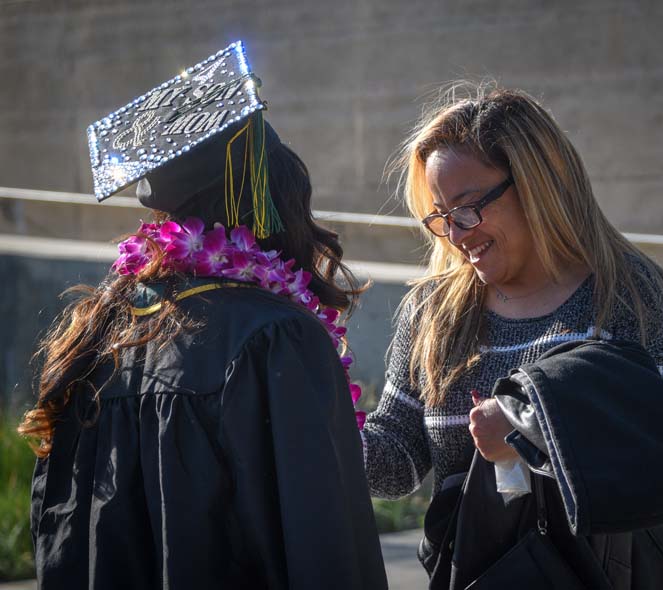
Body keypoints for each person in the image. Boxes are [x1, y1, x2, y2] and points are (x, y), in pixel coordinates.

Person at [19, 42, 387, 590]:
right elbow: (324, 546)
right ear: (271, 201)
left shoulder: (98, 334)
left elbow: (61, 542)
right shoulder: (275, 338)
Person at [361, 85, 663, 586]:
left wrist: (531, 430)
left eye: (467, 208)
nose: (457, 235)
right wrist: (311, 409)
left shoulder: (629, 292)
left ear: (535, 184)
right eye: (441, 218)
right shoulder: (432, 310)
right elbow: (395, 461)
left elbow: (662, 460)